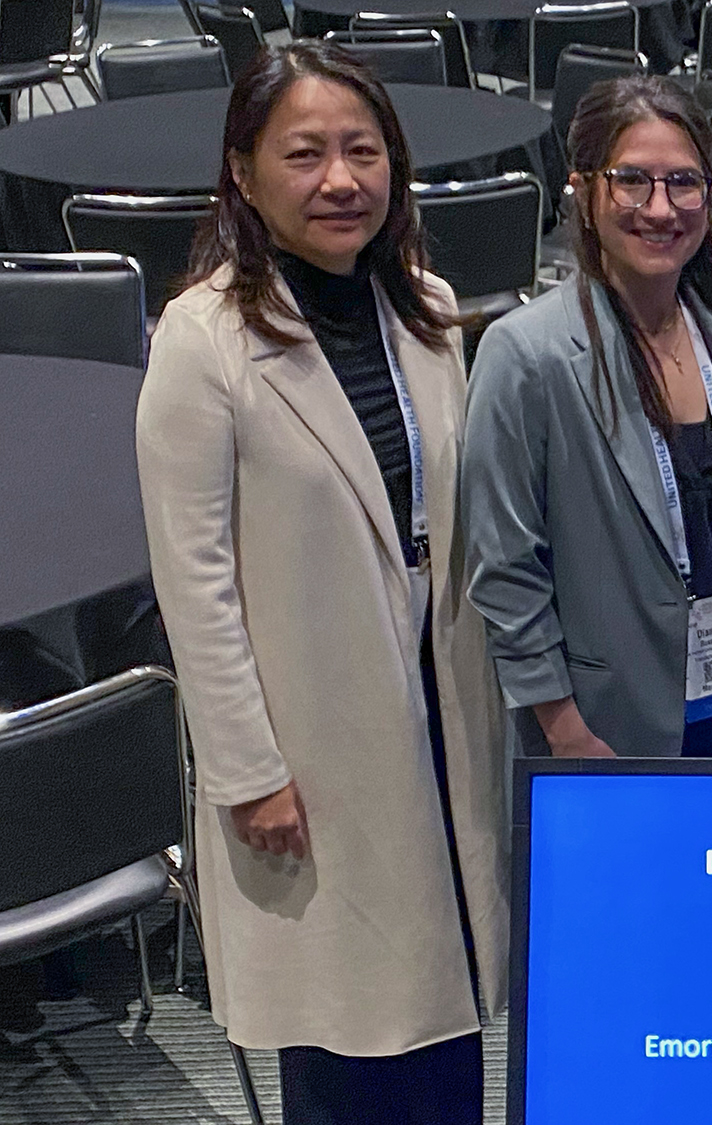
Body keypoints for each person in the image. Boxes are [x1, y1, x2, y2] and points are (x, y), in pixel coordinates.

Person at [135, 42, 505, 1125]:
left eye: (362, 149)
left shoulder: (424, 308)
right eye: (304, 154)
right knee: (345, 1030)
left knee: (446, 1012)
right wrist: (247, 770)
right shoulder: (202, 340)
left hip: (440, 708)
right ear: (244, 174)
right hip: (308, 746)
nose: (340, 179)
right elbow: (191, 577)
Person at [462, 75, 712, 759]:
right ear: (585, 192)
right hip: (608, 725)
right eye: (632, 181)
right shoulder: (525, 354)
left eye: (684, 182)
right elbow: (505, 566)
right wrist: (564, 729)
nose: (661, 208)